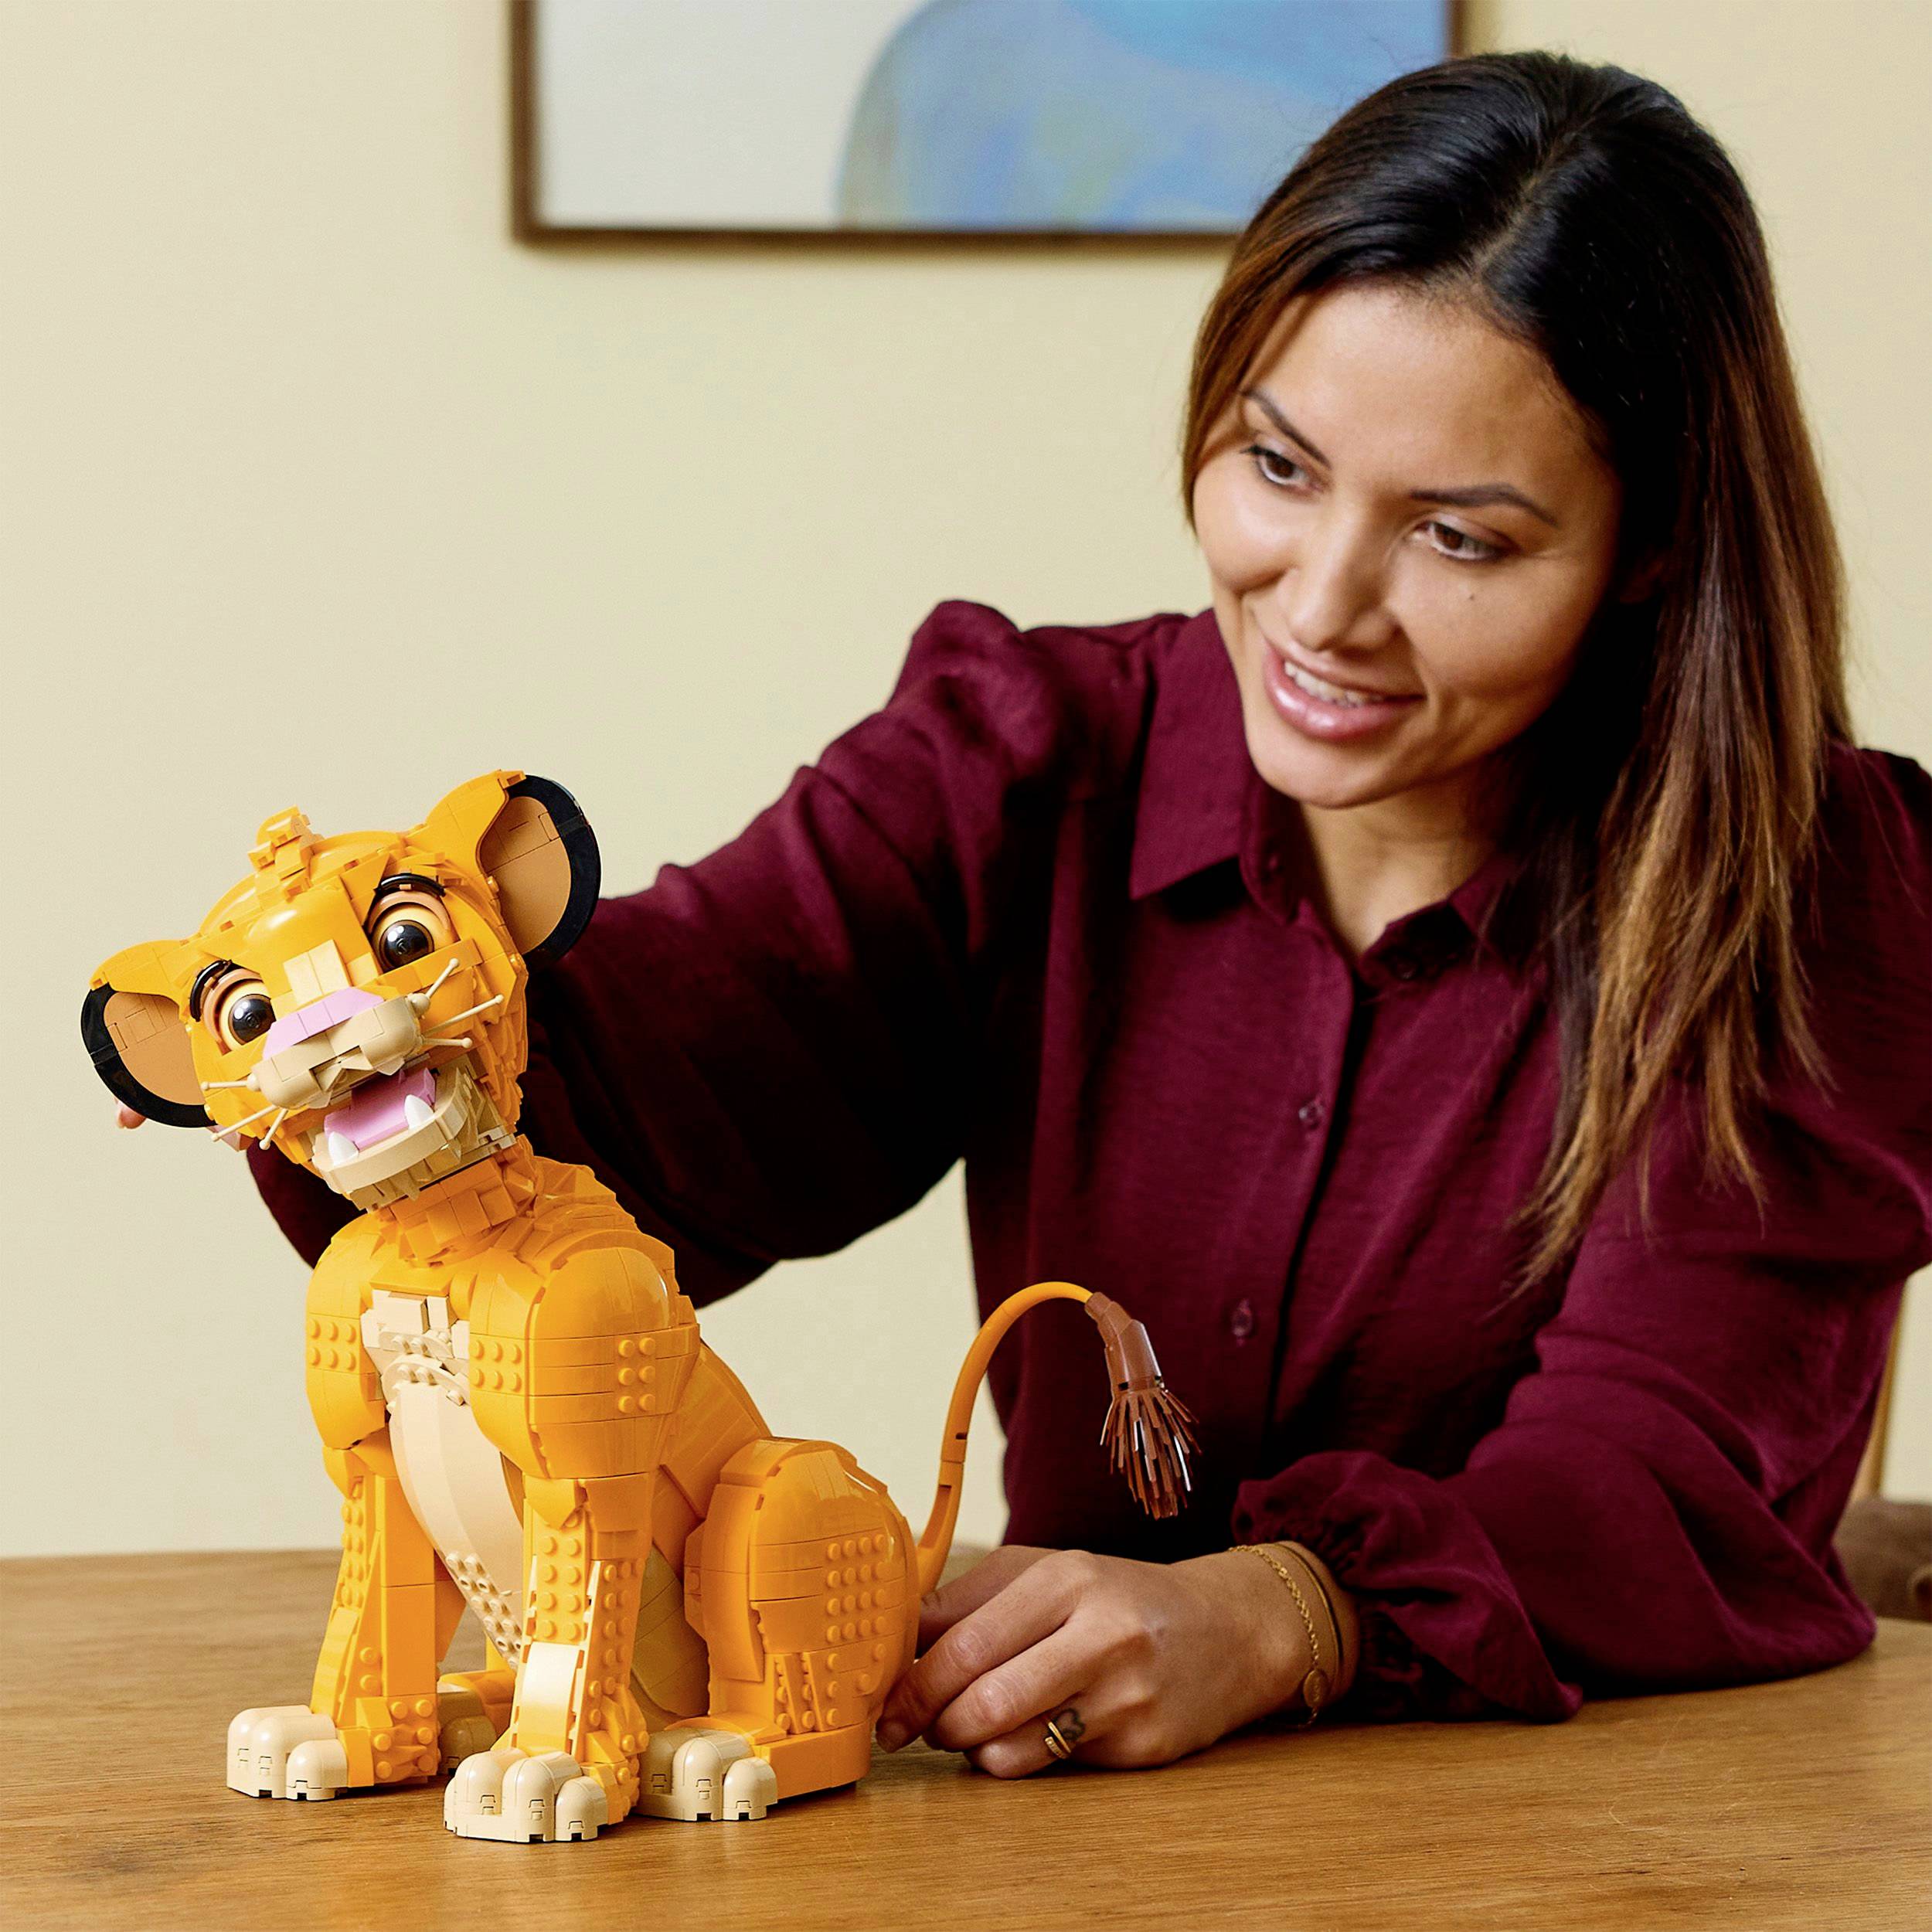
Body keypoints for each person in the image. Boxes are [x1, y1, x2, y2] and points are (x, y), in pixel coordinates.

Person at [134, 50, 1932, 1777]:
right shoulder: (1018, 762)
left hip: (1628, 1844)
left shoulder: (1812, 891)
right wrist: (356, 1018)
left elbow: (1654, 1474)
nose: (1319, 603)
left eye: (1456, 537)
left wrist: (1293, 1610)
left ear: (1648, 551)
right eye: (1276, 465)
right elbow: (661, 1100)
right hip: (1069, 1839)